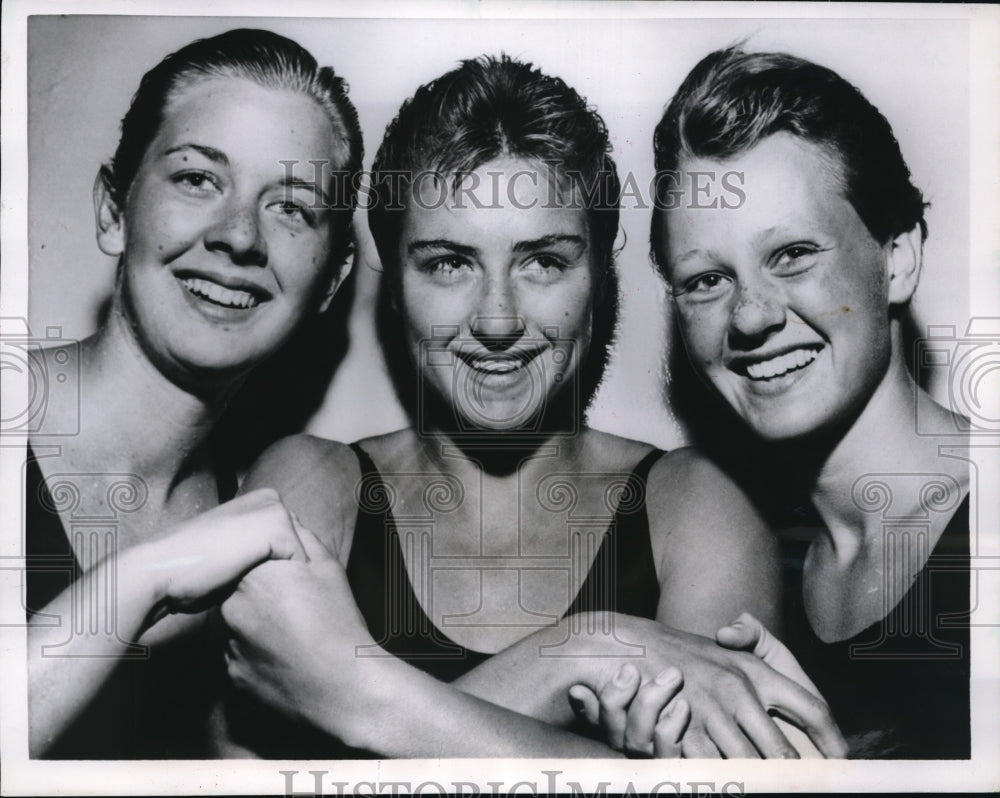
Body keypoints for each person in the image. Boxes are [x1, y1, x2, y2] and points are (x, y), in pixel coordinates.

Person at [219, 55, 847, 759]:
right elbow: (244, 776)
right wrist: (582, 652)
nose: (496, 321)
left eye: (542, 261)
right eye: (448, 263)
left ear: (600, 277)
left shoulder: (695, 507)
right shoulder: (309, 484)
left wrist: (358, 702)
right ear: (394, 282)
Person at [25, 28, 366, 758]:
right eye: (197, 178)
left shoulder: (248, 519)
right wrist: (147, 577)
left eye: (292, 208)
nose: (240, 235)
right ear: (114, 211)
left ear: (330, 284)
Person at [648, 46, 971, 758]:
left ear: (898, 257)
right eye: (706, 280)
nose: (751, 316)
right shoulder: (739, 564)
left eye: (793, 253)